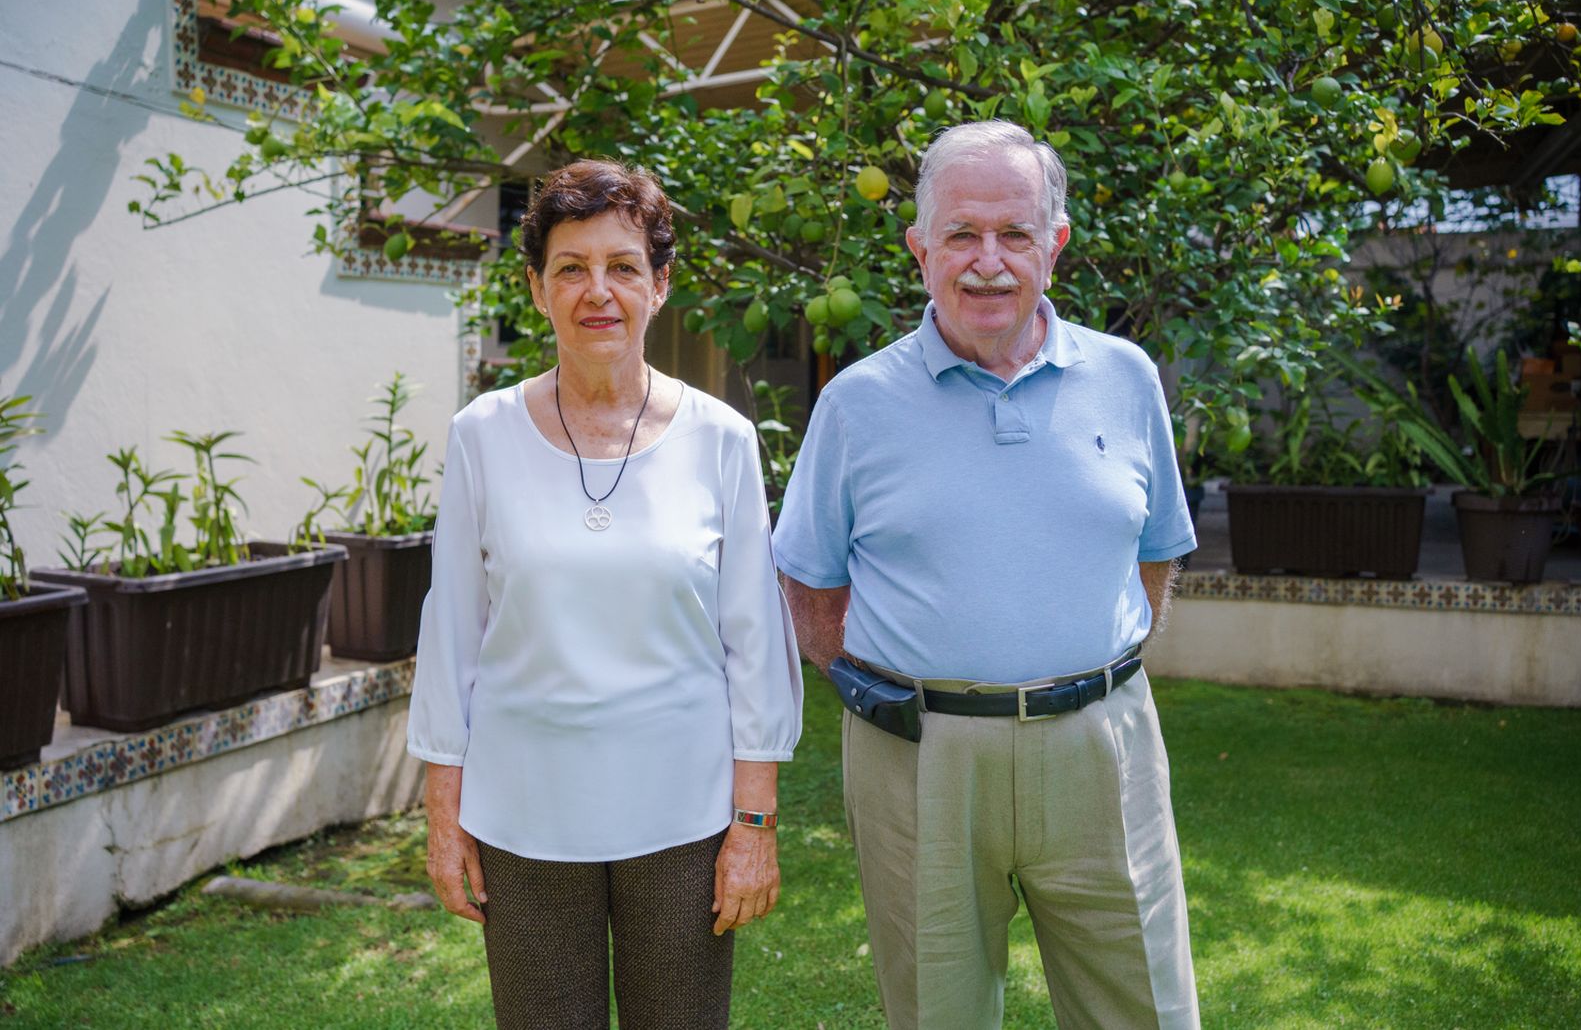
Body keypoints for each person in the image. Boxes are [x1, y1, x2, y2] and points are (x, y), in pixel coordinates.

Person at [772, 120, 1200, 1030]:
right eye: (961, 234)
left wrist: (1092, 665)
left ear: (1057, 244)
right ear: (919, 248)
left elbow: (1156, 550)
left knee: (1145, 1010)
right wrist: (882, 684)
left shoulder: (1126, 379)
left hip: (1103, 748)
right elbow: (809, 585)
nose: (989, 262)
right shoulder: (856, 403)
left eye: (1014, 233)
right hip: (920, 757)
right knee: (939, 1015)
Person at [407, 158, 804, 1030]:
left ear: (659, 286)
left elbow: (755, 645)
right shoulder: (482, 437)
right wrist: (445, 814)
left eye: (623, 267)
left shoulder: (721, 440)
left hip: (684, 818)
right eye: (570, 268)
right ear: (536, 288)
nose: (598, 292)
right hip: (523, 814)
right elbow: (453, 634)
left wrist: (754, 824)